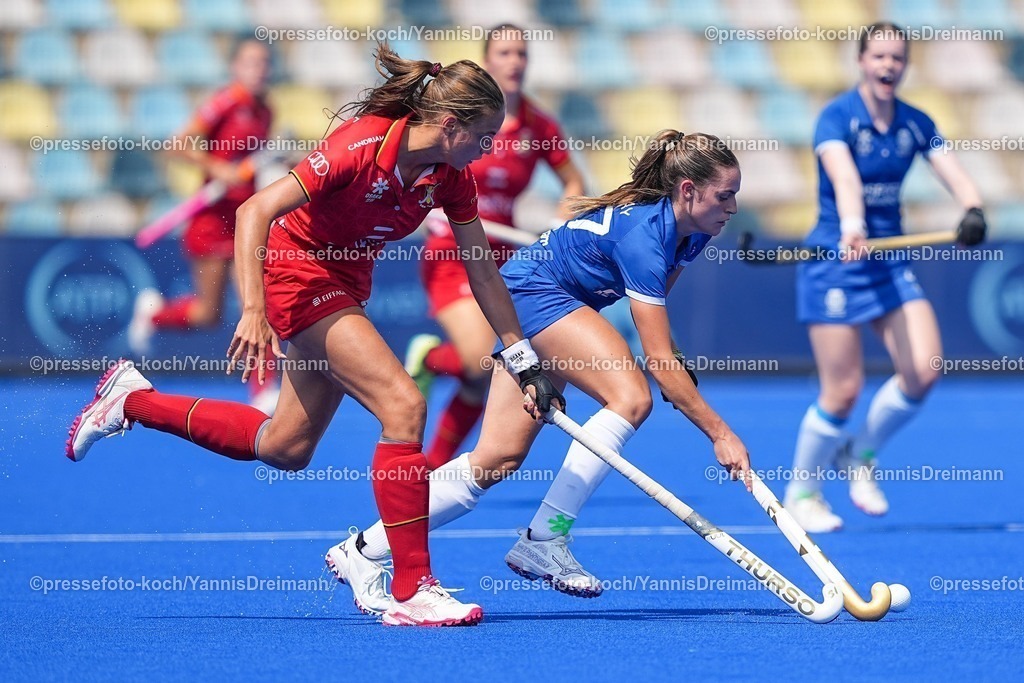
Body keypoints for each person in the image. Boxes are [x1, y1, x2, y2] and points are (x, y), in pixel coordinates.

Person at [66, 42, 563, 628]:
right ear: (450, 125)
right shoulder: (359, 144)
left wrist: (520, 353)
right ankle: (411, 587)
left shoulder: (450, 179)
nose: (491, 148)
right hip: (296, 275)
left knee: (286, 447)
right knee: (403, 405)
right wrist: (252, 309)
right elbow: (255, 210)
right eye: (484, 136)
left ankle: (132, 399)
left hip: (346, 284)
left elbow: (481, 266)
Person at [328, 130, 753, 615]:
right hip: (537, 296)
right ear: (687, 191)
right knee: (632, 397)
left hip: (552, 303)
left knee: (496, 459)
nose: (733, 207)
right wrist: (720, 433)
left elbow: (659, 331)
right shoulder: (645, 238)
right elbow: (655, 362)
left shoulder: (692, 233)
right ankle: (546, 539)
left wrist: (675, 363)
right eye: (725, 195)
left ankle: (361, 549)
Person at [783, 22, 986, 533]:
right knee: (843, 390)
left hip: (889, 260)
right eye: (879, 57)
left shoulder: (915, 123)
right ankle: (802, 492)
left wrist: (973, 208)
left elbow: (952, 170)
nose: (888, 66)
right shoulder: (837, 117)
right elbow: (844, 177)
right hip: (836, 258)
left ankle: (859, 454)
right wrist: (853, 227)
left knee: (925, 368)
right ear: (861, 61)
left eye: (897, 58)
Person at [406, 24, 584, 470]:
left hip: (499, 255)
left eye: (522, 53)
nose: (515, 62)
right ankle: (428, 357)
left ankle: (433, 467)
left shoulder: (540, 125)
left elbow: (574, 182)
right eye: (505, 53)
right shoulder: (465, 119)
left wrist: (564, 218)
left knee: (480, 375)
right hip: (452, 249)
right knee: (482, 361)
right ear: (489, 60)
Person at [128, 38, 280, 413]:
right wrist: (218, 169)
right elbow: (178, 145)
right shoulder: (225, 102)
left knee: (256, 302)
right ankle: (154, 315)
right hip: (212, 221)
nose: (259, 70)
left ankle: (264, 391)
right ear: (235, 67)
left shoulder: (266, 112)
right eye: (250, 62)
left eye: (264, 63)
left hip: (246, 218)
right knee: (206, 314)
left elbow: (252, 162)